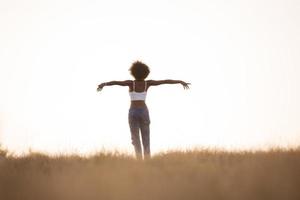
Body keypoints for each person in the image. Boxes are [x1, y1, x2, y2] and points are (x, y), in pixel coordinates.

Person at [97, 61, 190, 159]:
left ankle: (139, 160)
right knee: (146, 137)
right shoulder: (147, 83)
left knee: (135, 138)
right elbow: (165, 81)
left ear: (133, 72)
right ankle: (147, 160)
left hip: (133, 112)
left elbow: (115, 82)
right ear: (146, 73)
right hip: (144, 111)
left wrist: (104, 84)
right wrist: (180, 81)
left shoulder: (130, 83)